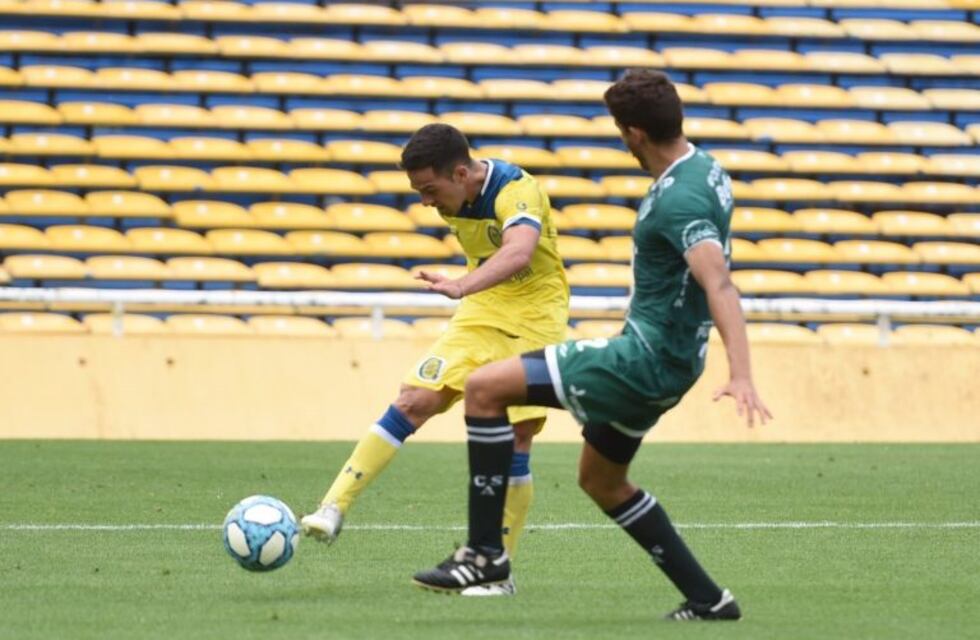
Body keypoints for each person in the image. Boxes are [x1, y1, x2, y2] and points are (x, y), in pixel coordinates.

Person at [412, 69, 772, 621]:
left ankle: (485, 555)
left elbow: (717, 280)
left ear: (633, 134)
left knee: (484, 388)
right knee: (601, 481)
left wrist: (743, 372)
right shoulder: (707, 169)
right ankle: (709, 600)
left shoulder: (680, 201)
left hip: (642, 360)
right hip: (671, 362)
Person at [302, 123, 569, 596]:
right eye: (417, 191)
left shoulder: (516, 190)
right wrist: (468, 290)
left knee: (517, 435)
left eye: (429, 190)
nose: (425, 201)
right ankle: (331, 508)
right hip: (483, 311)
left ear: (462, 173)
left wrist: (461, 285)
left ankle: (496, 571)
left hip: (535, 317)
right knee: (413, 400)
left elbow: (521, 251)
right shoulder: (454, 195)